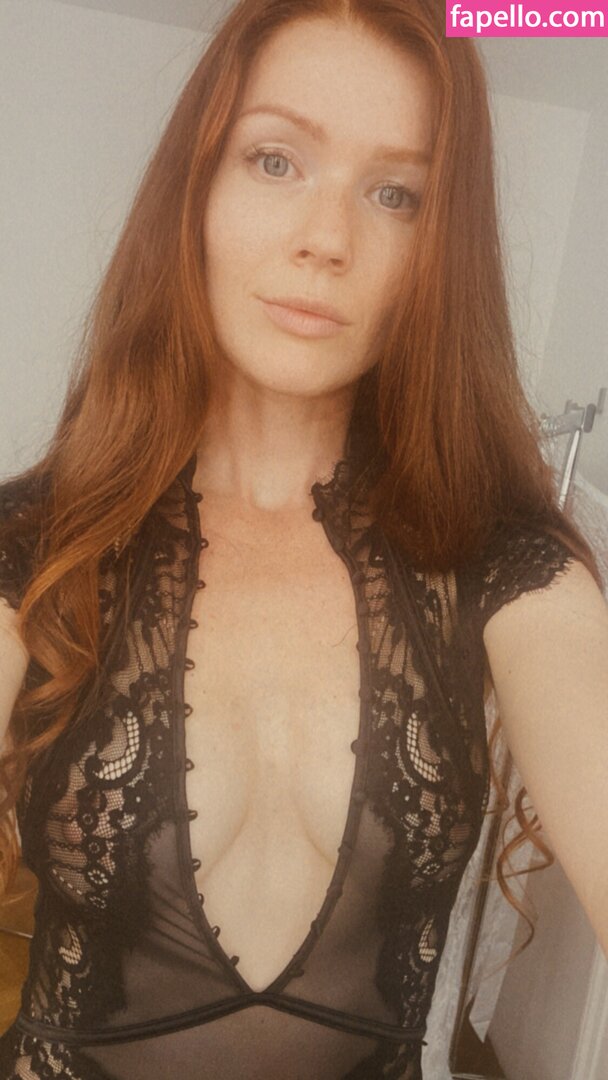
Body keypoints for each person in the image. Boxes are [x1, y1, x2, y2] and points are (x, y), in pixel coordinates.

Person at [0, 1, 606, 1078]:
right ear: (194, 189)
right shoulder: (33, 544)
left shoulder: (510, 569)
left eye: (395, 193)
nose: (327, 238)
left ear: (439, 249)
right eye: (275, 160)